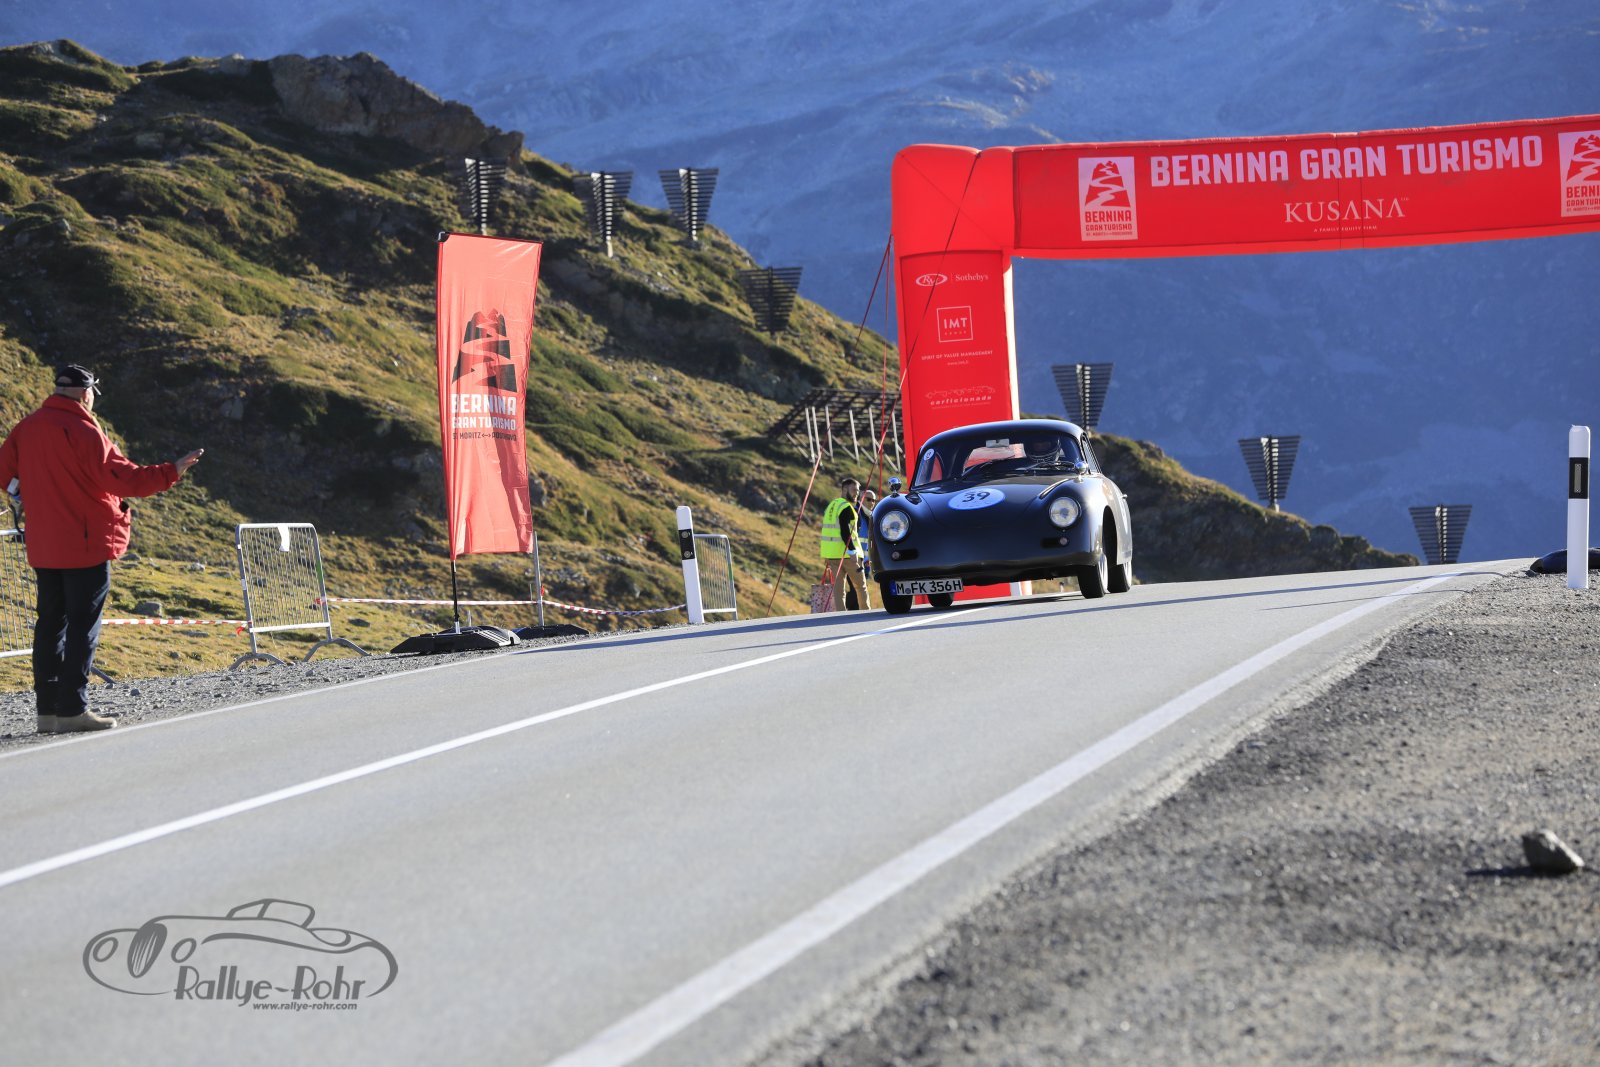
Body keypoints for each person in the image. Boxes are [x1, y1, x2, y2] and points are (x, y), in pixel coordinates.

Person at [0, 365, 203, 734]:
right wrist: (172, 470)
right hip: (85, 545)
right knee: (83, 627)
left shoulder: (27, 427)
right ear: (86, 393)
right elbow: (125, 479)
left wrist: (24, 493)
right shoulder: (85, 431)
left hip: (44, 545)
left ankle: (48, 712)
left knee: (50, 626)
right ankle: (73, 709)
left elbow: (5, 472)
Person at [819, 477, 870, 612]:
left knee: (838, 589)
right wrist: (852, 551)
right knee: (861, 586)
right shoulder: (846, 507)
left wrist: (827, 556)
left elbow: (828, 531)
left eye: (858, 491)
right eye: (854, 490)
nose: (856, 493)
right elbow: (844, 531)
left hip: (833, 555)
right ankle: (866, 613)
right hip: (848, 556)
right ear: (845, 489)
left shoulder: (831, 506)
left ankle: (841, 616)